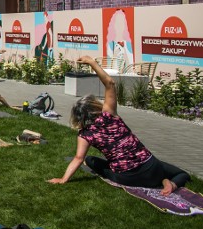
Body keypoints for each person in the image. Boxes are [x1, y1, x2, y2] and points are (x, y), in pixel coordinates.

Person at [48, 56, 190, 195]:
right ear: (95, 106)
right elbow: (110, 83)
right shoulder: (109, 115)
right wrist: (92, 63)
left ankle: (162, 180)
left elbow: (78, 158)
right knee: (181, 173)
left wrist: (63, 179)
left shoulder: (85, 134)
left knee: (90, 160)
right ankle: (169, 181)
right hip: (150, 167)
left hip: (128, 178)